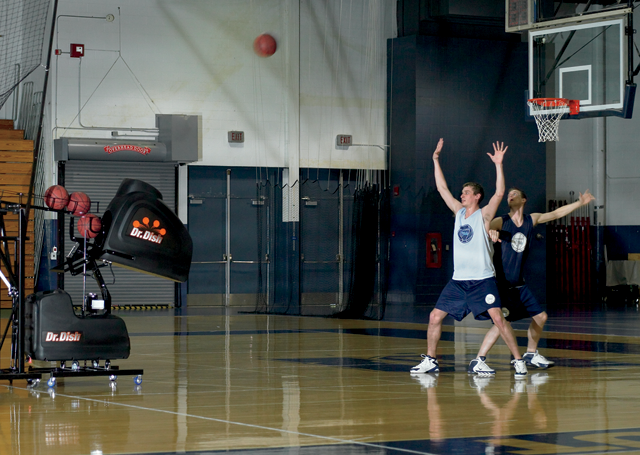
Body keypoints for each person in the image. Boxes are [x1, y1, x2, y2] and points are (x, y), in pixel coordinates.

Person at [411, 138, 527, 378]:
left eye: (466, 193)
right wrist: (435, 159)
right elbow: (442, 189)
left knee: (498, 318)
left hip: (482, 280)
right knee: (434, 317)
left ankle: (518, 360)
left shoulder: (484, 215)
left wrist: (498, 164)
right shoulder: (458, 212)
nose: (461, 195)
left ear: (476, 196)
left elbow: (500, 192)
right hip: (458, 281)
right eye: (462, 193)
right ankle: (431, 360)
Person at [468, 188, 595, 375]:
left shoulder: (530, 220)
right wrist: (491, 232)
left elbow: (555, 213)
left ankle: (531, 354)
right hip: (503, 284)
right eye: (508, 194)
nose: (510, 196)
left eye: (514, 193)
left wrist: (579, 203)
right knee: (503, 323)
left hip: (519, 283)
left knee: (541, 317)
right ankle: (479, 359)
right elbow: (486, 226)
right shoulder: (501, 221)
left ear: (524, 199)